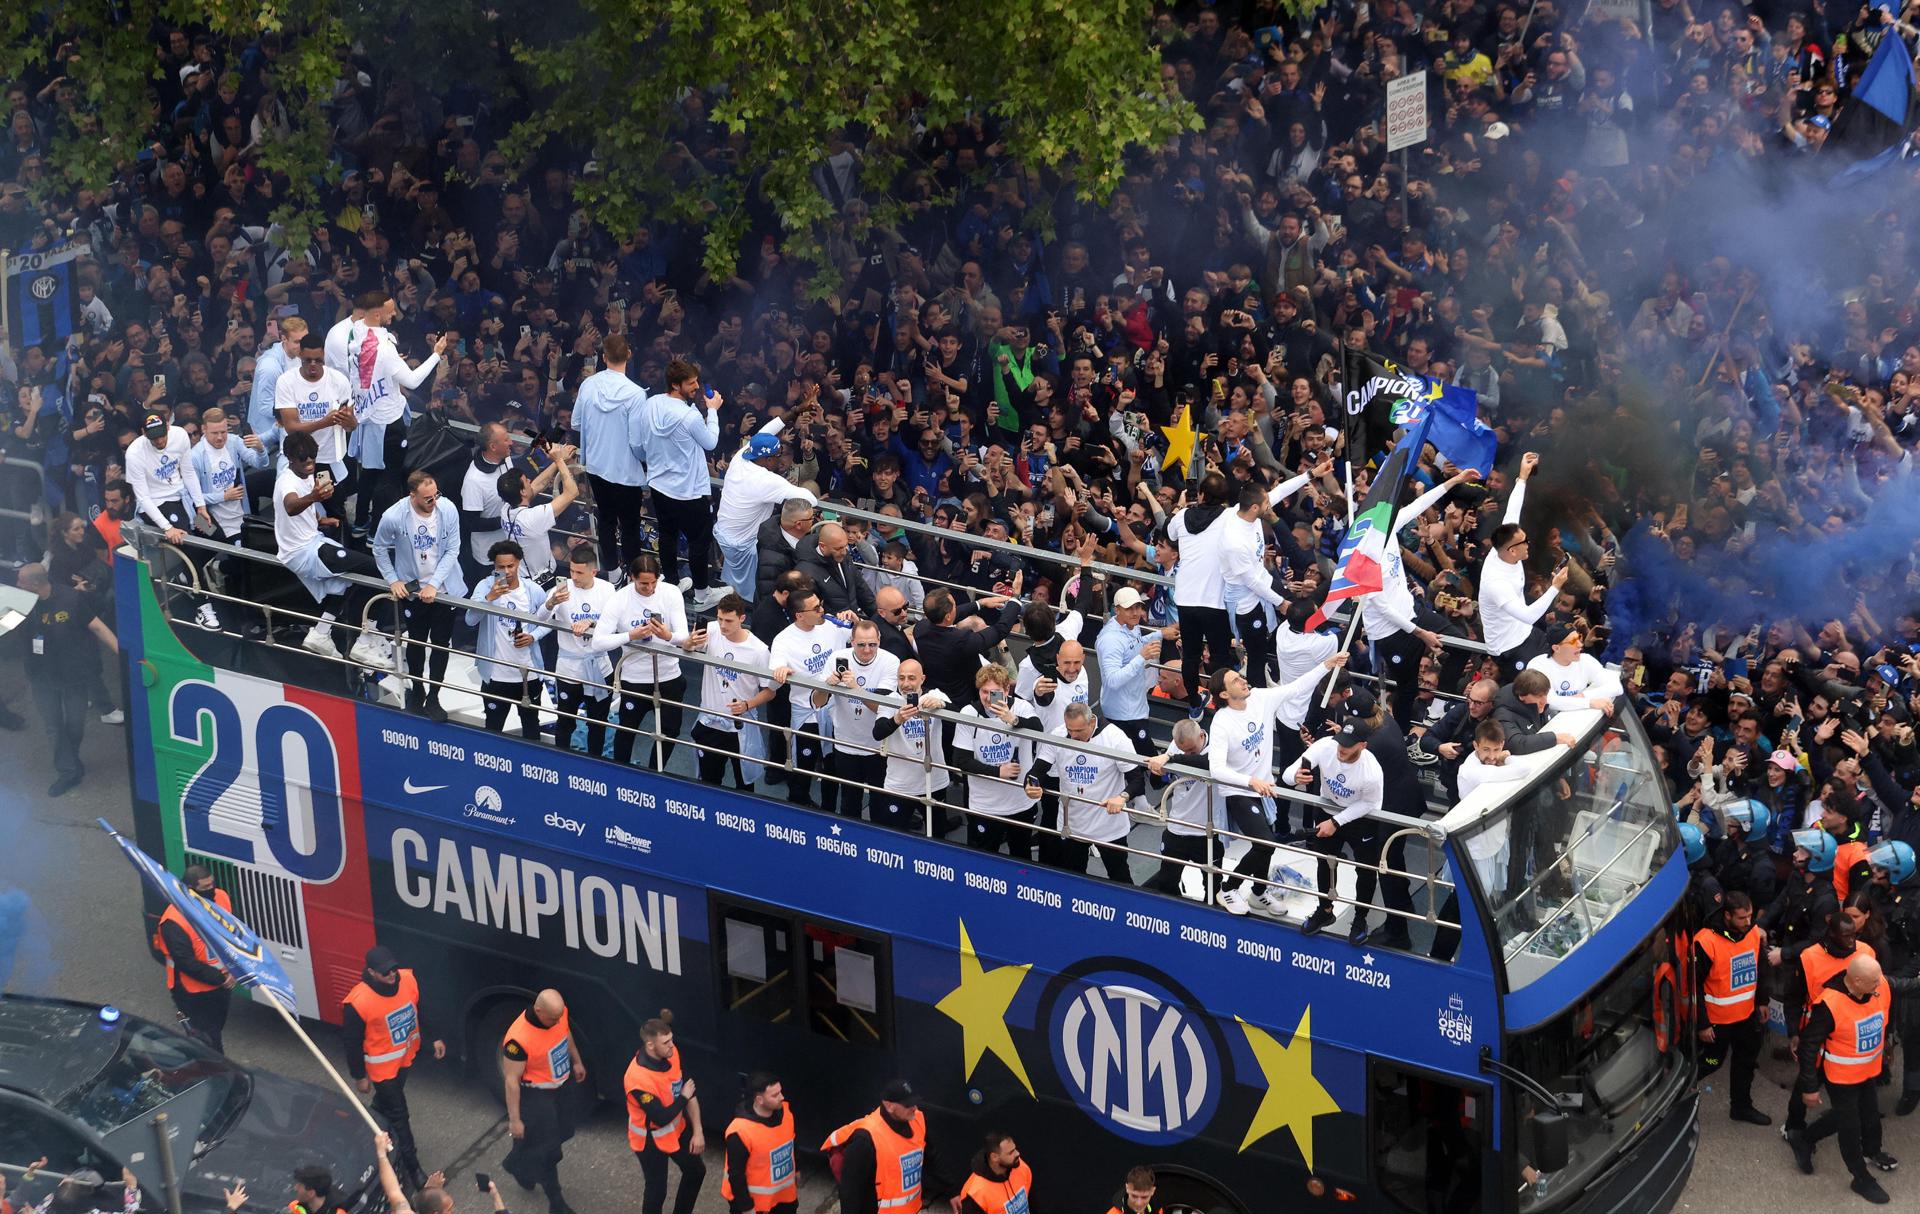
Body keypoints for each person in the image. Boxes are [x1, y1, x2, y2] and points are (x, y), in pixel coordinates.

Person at [1207, 654, 1349, 914]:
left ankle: (1258, 892)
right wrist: (1251, 781)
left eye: (1240, 677)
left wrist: (1326, 665)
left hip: (1265, 790)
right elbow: (1216, 769)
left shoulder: (1260, 698)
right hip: (1239, 791)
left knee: (1266, 846)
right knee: (1266, 843)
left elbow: (1297, 687)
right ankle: (1228, 888)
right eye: (1236, 681)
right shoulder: (1222, 722)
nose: (1243, 681)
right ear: (1225, 695)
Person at [1360, 465, 1480, 724]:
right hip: (1390, 631)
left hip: (1412, 611)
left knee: (1459, 646)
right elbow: (1379, 605)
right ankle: (1402, 736)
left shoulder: (1388, 526)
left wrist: (1455, 480)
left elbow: (1420, 503)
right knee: (1407, 688)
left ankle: (1438, 706)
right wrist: (1419, 633)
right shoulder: (1366, 552)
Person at [1789, 953, 1897, 1203]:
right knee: (1850, 1126)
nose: (1878, 987)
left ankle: (1805, 1138)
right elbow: (1809, 1046)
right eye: (1872, 983)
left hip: (1866, 1073)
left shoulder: (1875, 985)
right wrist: (1809, 1087)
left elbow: (1901, 986)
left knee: (1866, 1115)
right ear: (1857, 981)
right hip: (1841, 1078)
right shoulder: (1829, 1005)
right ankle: (1860, 1178)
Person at [274, 431, 387, 663]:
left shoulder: (305, 475)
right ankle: (366, 641)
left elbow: (300, 512)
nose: (309, 464)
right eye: (303, 459)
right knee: (378, 570)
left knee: (347, 580)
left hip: (312, 541)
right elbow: (291, 506)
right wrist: (314, 497)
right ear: (289, 458)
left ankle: (321, 633)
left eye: (312, 458)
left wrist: (319, 519)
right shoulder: (286, 480)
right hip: (303, 551)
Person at [341, 946, 445, 1189]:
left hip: (404, 1059)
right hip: (382, 1071)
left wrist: (435, 1037)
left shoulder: (407, 980)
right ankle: (413, 1170)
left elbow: (422, 1008)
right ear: (371, 973)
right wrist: (359, 1076)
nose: (392, 974)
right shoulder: (358, 1001)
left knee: (383, 1107)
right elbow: (351, 1042)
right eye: (386, 972)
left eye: (393, 968)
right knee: (400, 1116)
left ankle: (363, 1130)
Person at [345, 293, 447, 534]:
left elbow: (373, 368)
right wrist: (436, 353)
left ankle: (360, 523)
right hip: (388, 422)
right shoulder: (384, 348)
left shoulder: (356, 333)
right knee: (388, 477)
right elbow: (412, 381)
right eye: (390, 311)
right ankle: (377, 533)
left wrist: (389, 367)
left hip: (367, 417)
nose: (394, 315)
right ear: (377, 314)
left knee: (369, 472)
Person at [371, 470, 467, 720]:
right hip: (413, 591)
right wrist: (393, 580)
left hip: (442, 591)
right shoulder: (394, 516)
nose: (433, 501)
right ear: (412, 496)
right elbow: (379, 549)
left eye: (435, 495)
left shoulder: (447, 509)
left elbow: (453, 548)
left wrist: (434, 584)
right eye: (427, 498)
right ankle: (418, 688)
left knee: (440, 644)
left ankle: (434, 694)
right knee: (415, 641)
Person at [1282, 716, 1386, 937]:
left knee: (1366, 870)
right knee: (1325, 861)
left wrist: (1336, 822)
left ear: (1362, 745)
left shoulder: (1372, 771)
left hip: (1360, 819)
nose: (1342, 748)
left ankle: (1360, 918)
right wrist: (1295, 777)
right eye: (1340, 741)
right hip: (1327, 810)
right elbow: (1287, 774)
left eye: (1348, 745)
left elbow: (1371, 804)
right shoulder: (1326, 746)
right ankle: (1325, 909)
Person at [20, 564, 116, 796]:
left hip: (74, 674)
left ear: (35, 584)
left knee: (75, 723)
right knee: (53, 725)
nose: (17, 585)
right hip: (41, 676)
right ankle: (69, 771)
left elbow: (97, 627)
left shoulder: (71, 598)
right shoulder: (21, 602)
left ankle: (70, 759)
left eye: (21, 581)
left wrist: (125, 656)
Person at [639, 358, 725, 606]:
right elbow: (710, 443)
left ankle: (673, 582)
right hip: (687, 491)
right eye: (691, 383)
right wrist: (713, 411)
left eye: (697, 381)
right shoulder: (690, 416)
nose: (696, 386)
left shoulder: (652, 403)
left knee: (668, 535)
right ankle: (702, 594)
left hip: (659, 485)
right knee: (700, 541)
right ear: (676, 385)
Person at [1035, 701, 1152, 882]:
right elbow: (1038, 770)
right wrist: (1031, 784)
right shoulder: (1058, 734)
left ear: (1091, 723)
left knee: (1120, 877)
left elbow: (1137, 780)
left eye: (1079, 731)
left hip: (1109, 825)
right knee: (1073, 877)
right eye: (1070, 730)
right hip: (1072, 823)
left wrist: (1123, 797)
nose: (1073, 736)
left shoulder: (1115, 738)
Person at [126, 404, 219, 629]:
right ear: (143, 433)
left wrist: (200, 506)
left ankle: (186, 578)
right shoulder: (134, 453)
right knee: (188, 541)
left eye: (162, 435)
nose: (160, 442)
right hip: (158, 505)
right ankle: (202, 606)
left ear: (168, 426)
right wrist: (167, 527)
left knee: (215, 536)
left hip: (183, 499)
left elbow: (187, 471)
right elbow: (143, 498)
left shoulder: (179, 436)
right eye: (154, 438)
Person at [594, 554, 692, 769]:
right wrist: (630, 636)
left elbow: (684, 636)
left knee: (671, 730)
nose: (649, 588)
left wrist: (668, 636)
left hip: (669, 674)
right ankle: (621, 772)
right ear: (631, 578)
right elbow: (598, 642)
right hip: (634, 677)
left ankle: (655, 771)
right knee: (627, 730)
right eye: (643, 584)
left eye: (653, 583)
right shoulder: (619, 599)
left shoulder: (671, 593)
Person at [1479, 452, 1567, 674]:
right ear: (1511, 550)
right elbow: (1528, 614)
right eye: (1524, 542)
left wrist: (1522, 477)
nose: (1528, 544)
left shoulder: (1506, 541)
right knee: (1534, 690)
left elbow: (1512, 510)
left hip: (1527, 631)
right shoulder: (1496, 582)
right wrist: (1555, 587)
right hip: (1510, 647)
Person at [500, 988, 585, 1214]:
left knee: (566, 1131)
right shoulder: (517, 1040)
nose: (557, 1021)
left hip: (561, 1087)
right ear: (538, 1010)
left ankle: (517, 1163)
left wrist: (576, 1060)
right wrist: (515, 1120)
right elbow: (511, 1081)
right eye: (552, 1018)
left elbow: (565, 1034)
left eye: (559, 1017)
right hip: (536, 1095)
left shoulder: (558, 1014)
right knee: (549, 1150)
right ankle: (556, 1202)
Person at [691, 593, 788, 788]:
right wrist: (689, 643)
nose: (722, 625)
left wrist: (746, 705)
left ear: (742, 619)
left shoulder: (758, 651)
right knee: (708, 783)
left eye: (728, 620)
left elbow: (770, 691)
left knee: (744, 785)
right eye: (719, 619)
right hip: (709, 722)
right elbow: (686, 647)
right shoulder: (711, 630)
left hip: (740, 728)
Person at [1693, 891, 1770, 1126]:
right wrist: (1703, 1023)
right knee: (1712, 1062)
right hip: (1717, 1023)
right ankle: (1681, 1090)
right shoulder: (1705, 941)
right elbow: (1693, 987)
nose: (1748, 922)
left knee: (1745, 1062)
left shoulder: (1753, 933)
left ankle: (1741, 1106)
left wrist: (1762, 1001)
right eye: (1742, 918)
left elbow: (1761, 969)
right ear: (1727, 916)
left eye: (1750, 916)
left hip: (1745, 1017)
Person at [574, 335, 649, 575]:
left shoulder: (589, 385)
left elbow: (576, 423)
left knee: (605, 519)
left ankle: (613, 571)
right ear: (629, 355)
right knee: (629, 524)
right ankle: (633, 575)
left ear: (604, 357)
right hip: (626, 471)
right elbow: (638, 441)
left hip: (596, 466)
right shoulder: (636, 394)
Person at [951, 665, 1045, 857]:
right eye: (984, 692)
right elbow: (960, 760)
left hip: (1020, 803)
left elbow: (1038, 729)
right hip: (984, 805)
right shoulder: (969, 713)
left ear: (1007, 691)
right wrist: (998, 771)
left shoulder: (1021, 707)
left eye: (995, 693)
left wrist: (1014, 720)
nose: (988, 698)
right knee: (983, 857)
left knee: (1021, 856)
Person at [716, 422, 815, 599]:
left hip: (724, 533)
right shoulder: (765, 480)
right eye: (778, 455)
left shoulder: (741, 457)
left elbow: (764, 431)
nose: (781, 459)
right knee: (747, 591)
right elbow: (811, 499)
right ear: (768, 460)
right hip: (742, 545)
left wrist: (795, 410)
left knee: (734, 581)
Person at [817, 619, 901, 818]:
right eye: (861, 644)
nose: (867, 650)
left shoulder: (890, 661)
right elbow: (817, 702)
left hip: (877, 746)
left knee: (879, 802)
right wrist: (827, 687)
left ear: (879, 640)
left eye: (872, 644)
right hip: (845, 743)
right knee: (849, 801)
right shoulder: (837, 658)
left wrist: (855, 688)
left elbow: (881, 707)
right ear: (852, 642)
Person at [1167, 473, 1235, 717]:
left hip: (1186, 598)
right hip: (1214, 602)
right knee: (1220, 656)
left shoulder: (1182, 515)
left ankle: (1195, 701)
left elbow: (1169, 532)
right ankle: (1221, 704)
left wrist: (1182, 505)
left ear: (1202, 495)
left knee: (1191, 655)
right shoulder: (1229, 516)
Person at [768, 586, 843, 808]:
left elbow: (859, 633)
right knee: (803, 763)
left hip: (834, 710)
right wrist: (780, 670)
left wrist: (852, 618)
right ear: (799, 615)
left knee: (832, 765)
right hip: (805, 713)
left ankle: (829, 807)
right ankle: (798, 802)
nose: (822, 610)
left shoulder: (831, 626)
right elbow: (776, 667)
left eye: (821, 604)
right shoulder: (784, 639)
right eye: (816, 608)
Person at [625, 1011, 706, 1214]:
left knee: (696, 1171)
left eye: (671, 1040)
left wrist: (698, 1131)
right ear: (650, 1045)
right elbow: (660, 1117)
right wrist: (684, 1097)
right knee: (656, 1191)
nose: (672, 1046)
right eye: (666, 1042)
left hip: (676, 1130)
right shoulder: (637, 1079)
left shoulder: (671, 1053)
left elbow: (689, 1087)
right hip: (649, 1141)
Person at [542, 543, 619, 755]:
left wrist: (592, 624)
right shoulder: (561, 588)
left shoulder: (607, 589)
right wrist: (551, 603)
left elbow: (615, 624)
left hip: (599, 668)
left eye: (579, 572)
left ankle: (595, 762)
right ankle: (561, 760)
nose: (573, 576)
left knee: (598, 723)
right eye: (571, 570)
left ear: (593, 571)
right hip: (568, 669)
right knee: (565, 722)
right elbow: (540, 619)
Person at [468, 540, 550, 738]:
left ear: (519, 563)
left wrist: (533, 636)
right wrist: (489, 598)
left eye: (510, 566)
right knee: (493, 729)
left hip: (528, 674)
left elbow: (547, 621)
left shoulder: (532, 590)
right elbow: (470, 620)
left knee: (532, 729)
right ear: (494, 567)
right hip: (496, 674)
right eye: (501, 567)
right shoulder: (485, 586)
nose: (506, 571)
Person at [188, 405, 267, 605]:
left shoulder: (233, 442)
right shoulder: (195, 456)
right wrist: (223, 496)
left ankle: (220, 570)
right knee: (238, 558)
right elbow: (192, 498)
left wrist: (260, 448)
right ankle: (221, 578)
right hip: (208, 518)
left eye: (223, 431)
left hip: (239, 513)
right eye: (215, 433)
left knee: (250, 559)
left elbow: (260, 463)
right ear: (204, 429)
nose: (220, 437)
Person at [153, 863, 233, 1050]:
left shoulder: (221, 897)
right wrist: (220, 978)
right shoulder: (173, 921)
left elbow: (232, 934)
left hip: (221, 984)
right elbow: (185, 962)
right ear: (190, 890)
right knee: (207, 1040)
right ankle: (216, 1073)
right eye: (205, 888)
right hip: (192, 991)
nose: (211, 890)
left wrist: (233, 970)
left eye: (212, 884)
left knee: (215, 1029)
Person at [823, 1080, 930, 1214]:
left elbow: (932, 1154)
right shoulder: (865, 1141)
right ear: (889, 1106)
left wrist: (951, 1191)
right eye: (907, 1105)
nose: (914, 1107)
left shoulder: (916, 1119)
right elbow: (851, 1193)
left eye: (914, 1102)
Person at [869, 661, 952, 831]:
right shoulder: (891, 699)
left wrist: (941, 705)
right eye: (901, 678)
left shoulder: (934, 695)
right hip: (899, 784)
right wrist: (897, 719)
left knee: (938, 831)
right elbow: (878, 733)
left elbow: (959, 713)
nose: (906, 684)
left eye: (912, 678)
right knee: (895, 833)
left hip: (934, 781)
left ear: (922, 679)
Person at [1142, 719, 1221, 897]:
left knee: (1213, 887)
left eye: (1191, 751)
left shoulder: (1217, 745)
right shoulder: (1177, 745)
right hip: (1177, 826)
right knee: (1166, 882)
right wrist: (1160, 771)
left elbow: (1209, 764)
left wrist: (1172, 758)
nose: (1186, 754)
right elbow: (1157, 783)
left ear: (1201, 735)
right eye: (1182, 750)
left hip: (1208, 831)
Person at [275, 331, 357, 494]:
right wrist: (324, 422)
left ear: (324, 356)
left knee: (332, 508)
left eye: (318, 360)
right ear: (300, 355)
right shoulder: (286, 382)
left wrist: (347, 421)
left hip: (328, 459)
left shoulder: (339, 380)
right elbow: (291, 428)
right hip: (299, 459)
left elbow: (351, 426)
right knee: (300, 505)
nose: (313, 364)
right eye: (307, 360)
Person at [1095, 587, 1175, 755]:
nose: (1135, 612)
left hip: (1134, 709)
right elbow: (1112, 681)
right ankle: (1159, 781)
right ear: (1117, 610)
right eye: (1129, 608)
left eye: (1138, 607)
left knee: (1140, 761)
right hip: (1124, 716)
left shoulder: (1131, 626)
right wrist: (1142, 657)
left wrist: (1159, 634)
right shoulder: (1110, 640)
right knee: (1148, 761)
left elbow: (1134, 642)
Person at [496, 443, 580, 581]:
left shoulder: (506, 509)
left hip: (523, 576)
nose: (530, 480)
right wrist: (559, 460)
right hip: (543, 580)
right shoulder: (533, 518)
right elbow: (572, 492)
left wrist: (558, 460)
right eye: (526, 480)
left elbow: (538, 484)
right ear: (522, 491)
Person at [722, 1072, 797, 1214]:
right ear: (759, 1100)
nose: (782, 1097)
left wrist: (797, 1166)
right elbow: (736, 1174)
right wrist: (746, 1208)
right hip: (755, 1206)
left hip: (784, 1200)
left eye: (780, 1092)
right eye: (775, 1095)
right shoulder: (740, 1131)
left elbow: (792, 1141)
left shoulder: (786, 1113)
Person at [459, 423, 515, 591]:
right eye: (506, 439)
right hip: (490, 559)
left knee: (512, 594)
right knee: (498, 593)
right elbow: (472, 523)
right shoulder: (474, 481)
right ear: (493, 446)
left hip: (511, 545)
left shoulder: (506, 459)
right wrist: (508, 519)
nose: (511, 442)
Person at [797, 522, 876, 618]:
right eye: (838, 548)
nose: (844, 552)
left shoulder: (843, 556)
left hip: (851, 621)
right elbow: (811, 611)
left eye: (845, 546)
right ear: (822, 546)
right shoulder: (806, 573)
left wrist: (879, 620)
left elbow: (862, 590)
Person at [957, 1131, 1031, 1214]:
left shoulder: (1021, 1167)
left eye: (1015, 1149)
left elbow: (1031, 1200)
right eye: (1011, 1152)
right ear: (994, 1157)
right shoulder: (975, 1193)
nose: (1017, 1153)